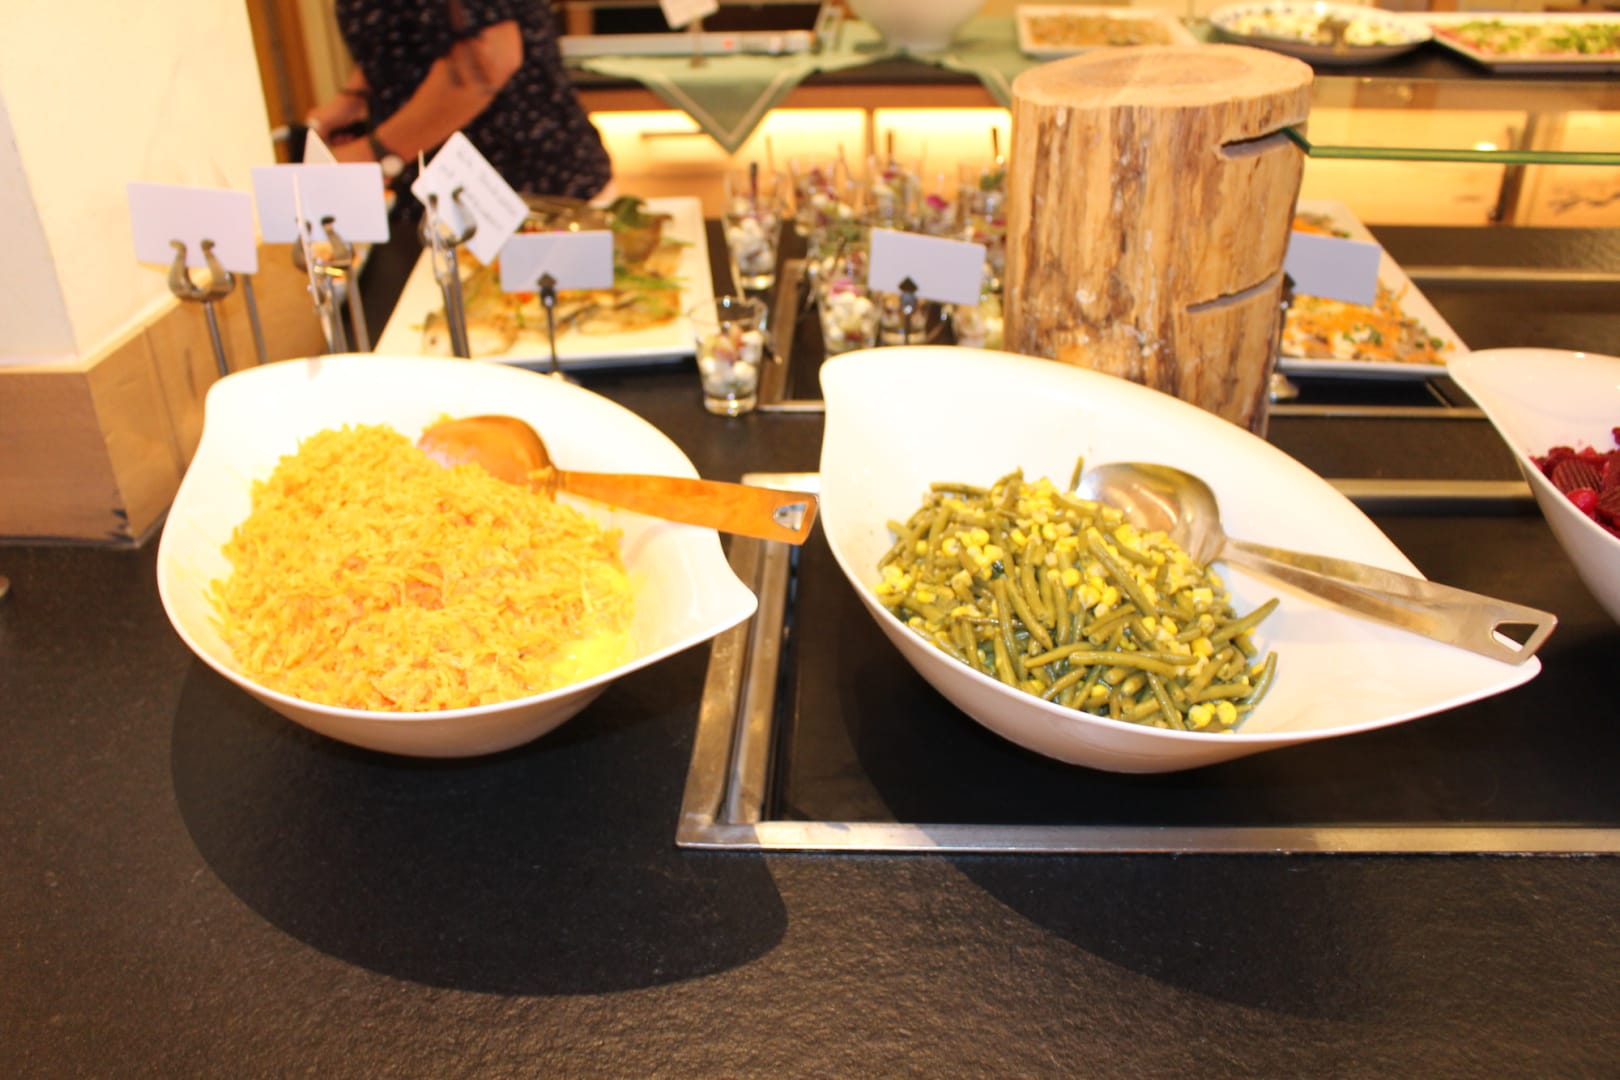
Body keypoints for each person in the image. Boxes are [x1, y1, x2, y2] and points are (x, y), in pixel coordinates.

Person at [307, 0, 612, 208]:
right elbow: (401, 33)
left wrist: (376, 153)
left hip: (517, 183)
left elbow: (485, 63)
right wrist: (354, 97)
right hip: (439, 184)